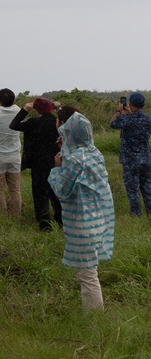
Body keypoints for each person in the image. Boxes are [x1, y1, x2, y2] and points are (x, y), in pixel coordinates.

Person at [48, 107, 115, 311]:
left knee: (87, 275)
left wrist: (57, 168)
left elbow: (62, 190)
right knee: (88, 273)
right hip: (97, 219)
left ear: (65, 127)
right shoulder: (94, 152)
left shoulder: (75, 159)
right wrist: (67, 147)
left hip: (82, 223)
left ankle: (94, 320)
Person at [10, 97, 62, 231]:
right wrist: (58, 109)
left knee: (40, 191)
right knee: (56, 190)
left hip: (38, 162)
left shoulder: (33, 122)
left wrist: (24, 110)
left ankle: (44, 221)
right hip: (56, 160)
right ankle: (61, 218)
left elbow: (14, 125)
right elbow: (71, 121)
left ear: (36, 109)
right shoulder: (57, 122)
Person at [109, 91, 151, 216]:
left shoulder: (126, 119)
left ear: (130, 103)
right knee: (148, 188)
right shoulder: (148, 118)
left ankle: (136, 215)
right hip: (146, 159)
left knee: (133, 191)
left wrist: (118, 111)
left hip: (130, 160)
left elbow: (113, 123)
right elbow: (139, 122)